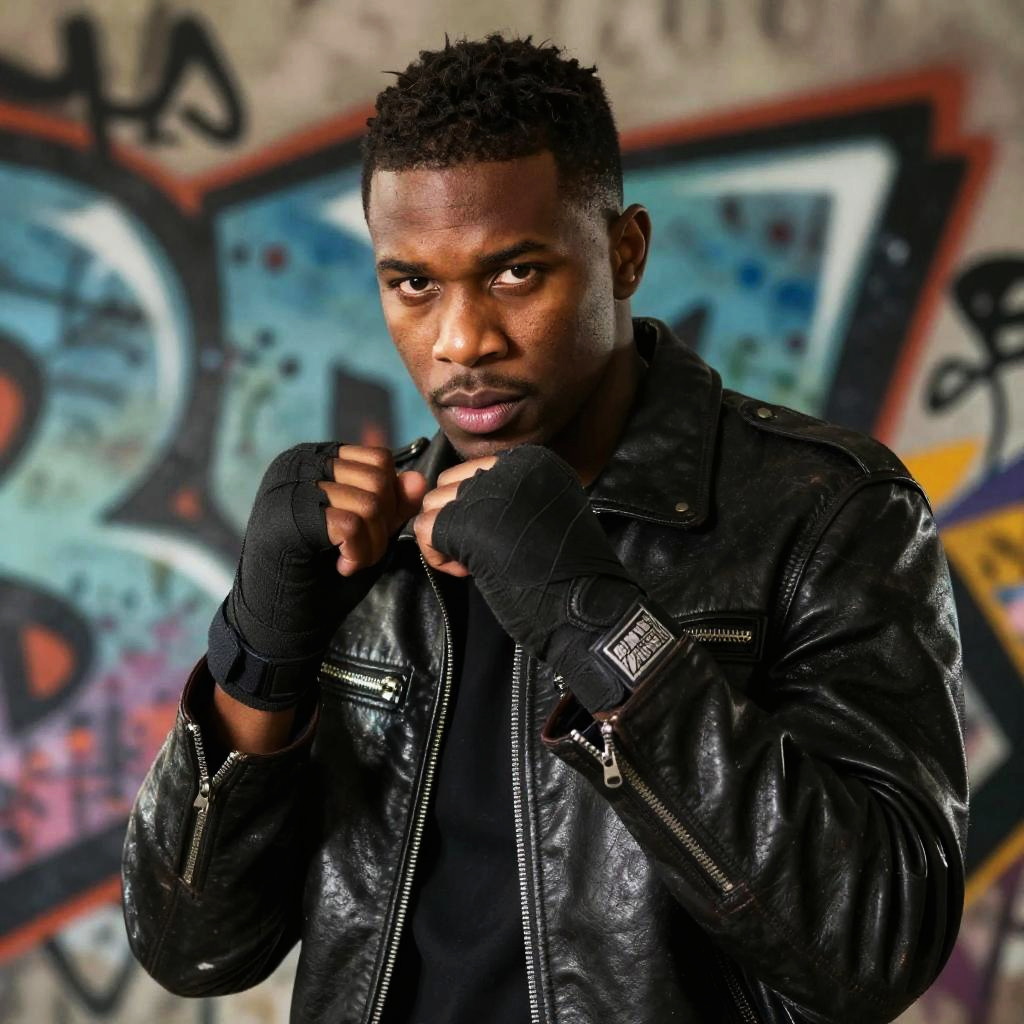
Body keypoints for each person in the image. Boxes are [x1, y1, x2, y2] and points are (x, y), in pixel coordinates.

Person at [122, 34, 968, 1024]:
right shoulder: (370, 548)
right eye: (413, 283)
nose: (462, 340)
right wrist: (258, 652)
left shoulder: (821, 512)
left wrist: (602, 629)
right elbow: (191, 949)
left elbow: (876, 944)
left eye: (516, 273)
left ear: (624, 252)